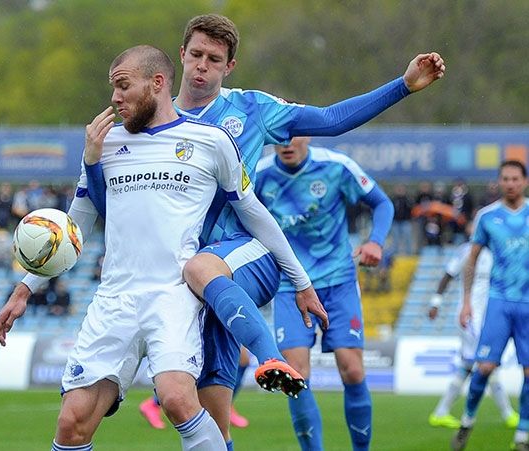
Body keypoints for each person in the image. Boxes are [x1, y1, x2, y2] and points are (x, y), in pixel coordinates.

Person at [85, 14, 444, 447]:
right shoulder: (146, 125)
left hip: (237, 260)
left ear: (228, 67)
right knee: (209, 425)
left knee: (203, 271)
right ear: (180, 56)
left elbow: (330, 119)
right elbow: (108, 208)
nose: (202, 65)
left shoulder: (251, 109)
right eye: (196, 54)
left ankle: (268, 357)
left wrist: (402, 85)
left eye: (214, 59)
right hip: (179, 284)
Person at [0, 44, 326, 451]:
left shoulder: (211, 140)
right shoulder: (106, 145)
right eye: (112, 88)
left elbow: (256, 214)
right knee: (72, 422)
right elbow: (75, 224)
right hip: (114, 299)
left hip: (173, 297)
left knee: (176, 399)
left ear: (157, 84)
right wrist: (25, 288)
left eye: (123, 86)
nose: (115, 98)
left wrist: (301, 281)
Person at [255, 137, 394, 451]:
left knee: (354, 370)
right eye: (279, 137)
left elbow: (382, 203)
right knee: (296, 376)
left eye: (294, 136)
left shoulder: (336, 166)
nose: (287, 143)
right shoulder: (259, 174)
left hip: (338, 281)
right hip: (291, 285)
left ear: (308, 135)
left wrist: (376, 241)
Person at [451, 160, 529, 451]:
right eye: (505, 178)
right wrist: (467, 302)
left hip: (528, 304)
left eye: (515, 178)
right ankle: (467, 420)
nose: (510, 183)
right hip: (498, 303)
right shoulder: (487, 217)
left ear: (524, 181)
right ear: (500, 182)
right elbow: (471, 260)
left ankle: (522, 434)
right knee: (483, 367)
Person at [427, 221, 518, 429]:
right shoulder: (466, 251)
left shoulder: (497, 251)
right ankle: (508, 414)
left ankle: (441, 411)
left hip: (488, 317)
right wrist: (436, 303)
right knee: (488, 364)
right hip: (470, 318)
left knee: (468, 365)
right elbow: (447, 276)